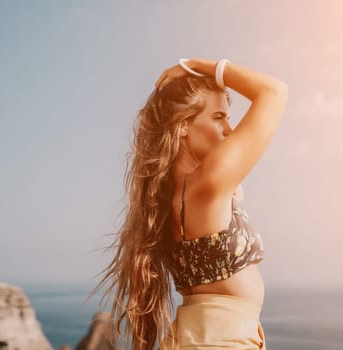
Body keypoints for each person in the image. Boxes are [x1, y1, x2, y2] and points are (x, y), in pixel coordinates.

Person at [92, 57, 288, 350]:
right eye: (218, 117)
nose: (229, 130)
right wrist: (197, 64)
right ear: (183, 126)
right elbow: (274, 92)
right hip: (220, 343)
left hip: (193, 338)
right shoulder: (209, 181)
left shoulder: (163, 195)